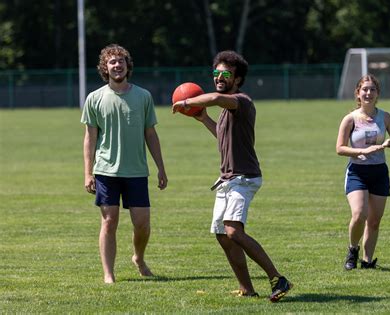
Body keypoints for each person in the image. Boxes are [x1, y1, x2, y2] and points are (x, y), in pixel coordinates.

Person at [172, 50, 292, 302]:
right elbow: (223, 137)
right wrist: (204, 119)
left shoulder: (240, 101)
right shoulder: (226, 110)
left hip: (244, 177)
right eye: (215, 73)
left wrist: (187, 103)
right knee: (222, 235)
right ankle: (247, 287)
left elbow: (215, 97)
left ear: (237, 79)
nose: (218, 77)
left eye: (225, 73)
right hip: (227, 179)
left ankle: (277, 278)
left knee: (233, 231)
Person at [81, 44, 168, 283]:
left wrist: (161, 167)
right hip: (106, 170)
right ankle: (108, 274)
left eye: (121, 61)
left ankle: (138, 257)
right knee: (109, 221)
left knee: (142, 224)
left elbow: (150, 134)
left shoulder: (143, 96)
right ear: (105, 68)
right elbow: (90, 137)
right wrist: (88, 173)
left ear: (128, 66)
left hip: (137, 170)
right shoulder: (95, 98)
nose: (117, 65)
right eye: (112, 62)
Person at [336, 74, 390, 270]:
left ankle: (367, 261)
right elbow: (340, 148)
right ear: (358, 93)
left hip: (379, 172)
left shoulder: (385, 117)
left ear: (377, 94)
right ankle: (352, 250)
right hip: (357, 171)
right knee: (359, 214)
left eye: (372, 89)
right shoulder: (350, 119)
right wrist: (361, 151)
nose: (368, 93)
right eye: (364, 89)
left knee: (374, 221)